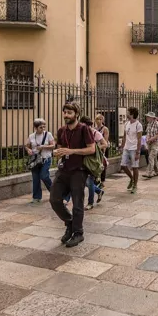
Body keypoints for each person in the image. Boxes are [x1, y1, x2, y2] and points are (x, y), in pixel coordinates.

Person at [49, 102, 95, 248]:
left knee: (77, 203)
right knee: (54, 199)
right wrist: (57, 152)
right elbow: (60, 147)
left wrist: (72, 151)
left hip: (79, 171)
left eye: (69, 112)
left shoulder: (84, 129)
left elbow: (91, 149)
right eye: (65, 112)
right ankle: (69, 222)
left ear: (76, 114)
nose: (66, 115)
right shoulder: (62, 130)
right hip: (64, 169)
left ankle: (78, 233)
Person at [80, 116, 107, 210]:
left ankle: (90, 203)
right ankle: (99, 191)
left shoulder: (95, 133)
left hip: (93, 161)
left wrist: (95, 148)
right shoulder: (81, 133)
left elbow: (105, 144)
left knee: (89, 181)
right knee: (84, 181)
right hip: (82, 159)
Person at [25, 119, 55, 203]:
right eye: (40, 127)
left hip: (46, 159)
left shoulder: (48, 134)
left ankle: (55, 193)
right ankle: (36, 197)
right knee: (35, 178)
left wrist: (43, 147)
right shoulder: (31, 136)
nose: (43, 129)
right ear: (35, 128)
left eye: (44, 127)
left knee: (44, 176)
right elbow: (27, 146)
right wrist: (28, 150)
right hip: (35, 160)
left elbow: (53, 146)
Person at [119, 107, 143, 194]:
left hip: (134, 148)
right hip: (126, 147)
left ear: (132, 114)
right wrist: (122, 146)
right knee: (123, 165)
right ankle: (132, 179)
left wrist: (138, 152)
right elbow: (124, 136)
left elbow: (139, 139)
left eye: (128, 112)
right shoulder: (126, 124)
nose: (127, 114)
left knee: (135, 167)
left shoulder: (138, 125)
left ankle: (135, 185)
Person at [143, 112, 158, 179]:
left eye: (148, 117)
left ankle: (149, 172)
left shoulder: (157, 124)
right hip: (150, 143)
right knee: (154, 157)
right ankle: (157, 172)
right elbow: (147, 133)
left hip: (155, 143)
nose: (147, 118)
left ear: (151, 118)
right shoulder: (149, 124)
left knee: (151, 157)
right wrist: (147, 140)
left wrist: (150, 139)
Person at [94, 114, 110, 187]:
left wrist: (104, 149)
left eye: (100, 119)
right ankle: (97, 179)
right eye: (97, 119)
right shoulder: (95, 129)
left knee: (103, 164)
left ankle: (102, 181)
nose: (99, 121)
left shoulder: (105, 129)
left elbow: (105, 140)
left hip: (103, 147)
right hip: (97, 147)